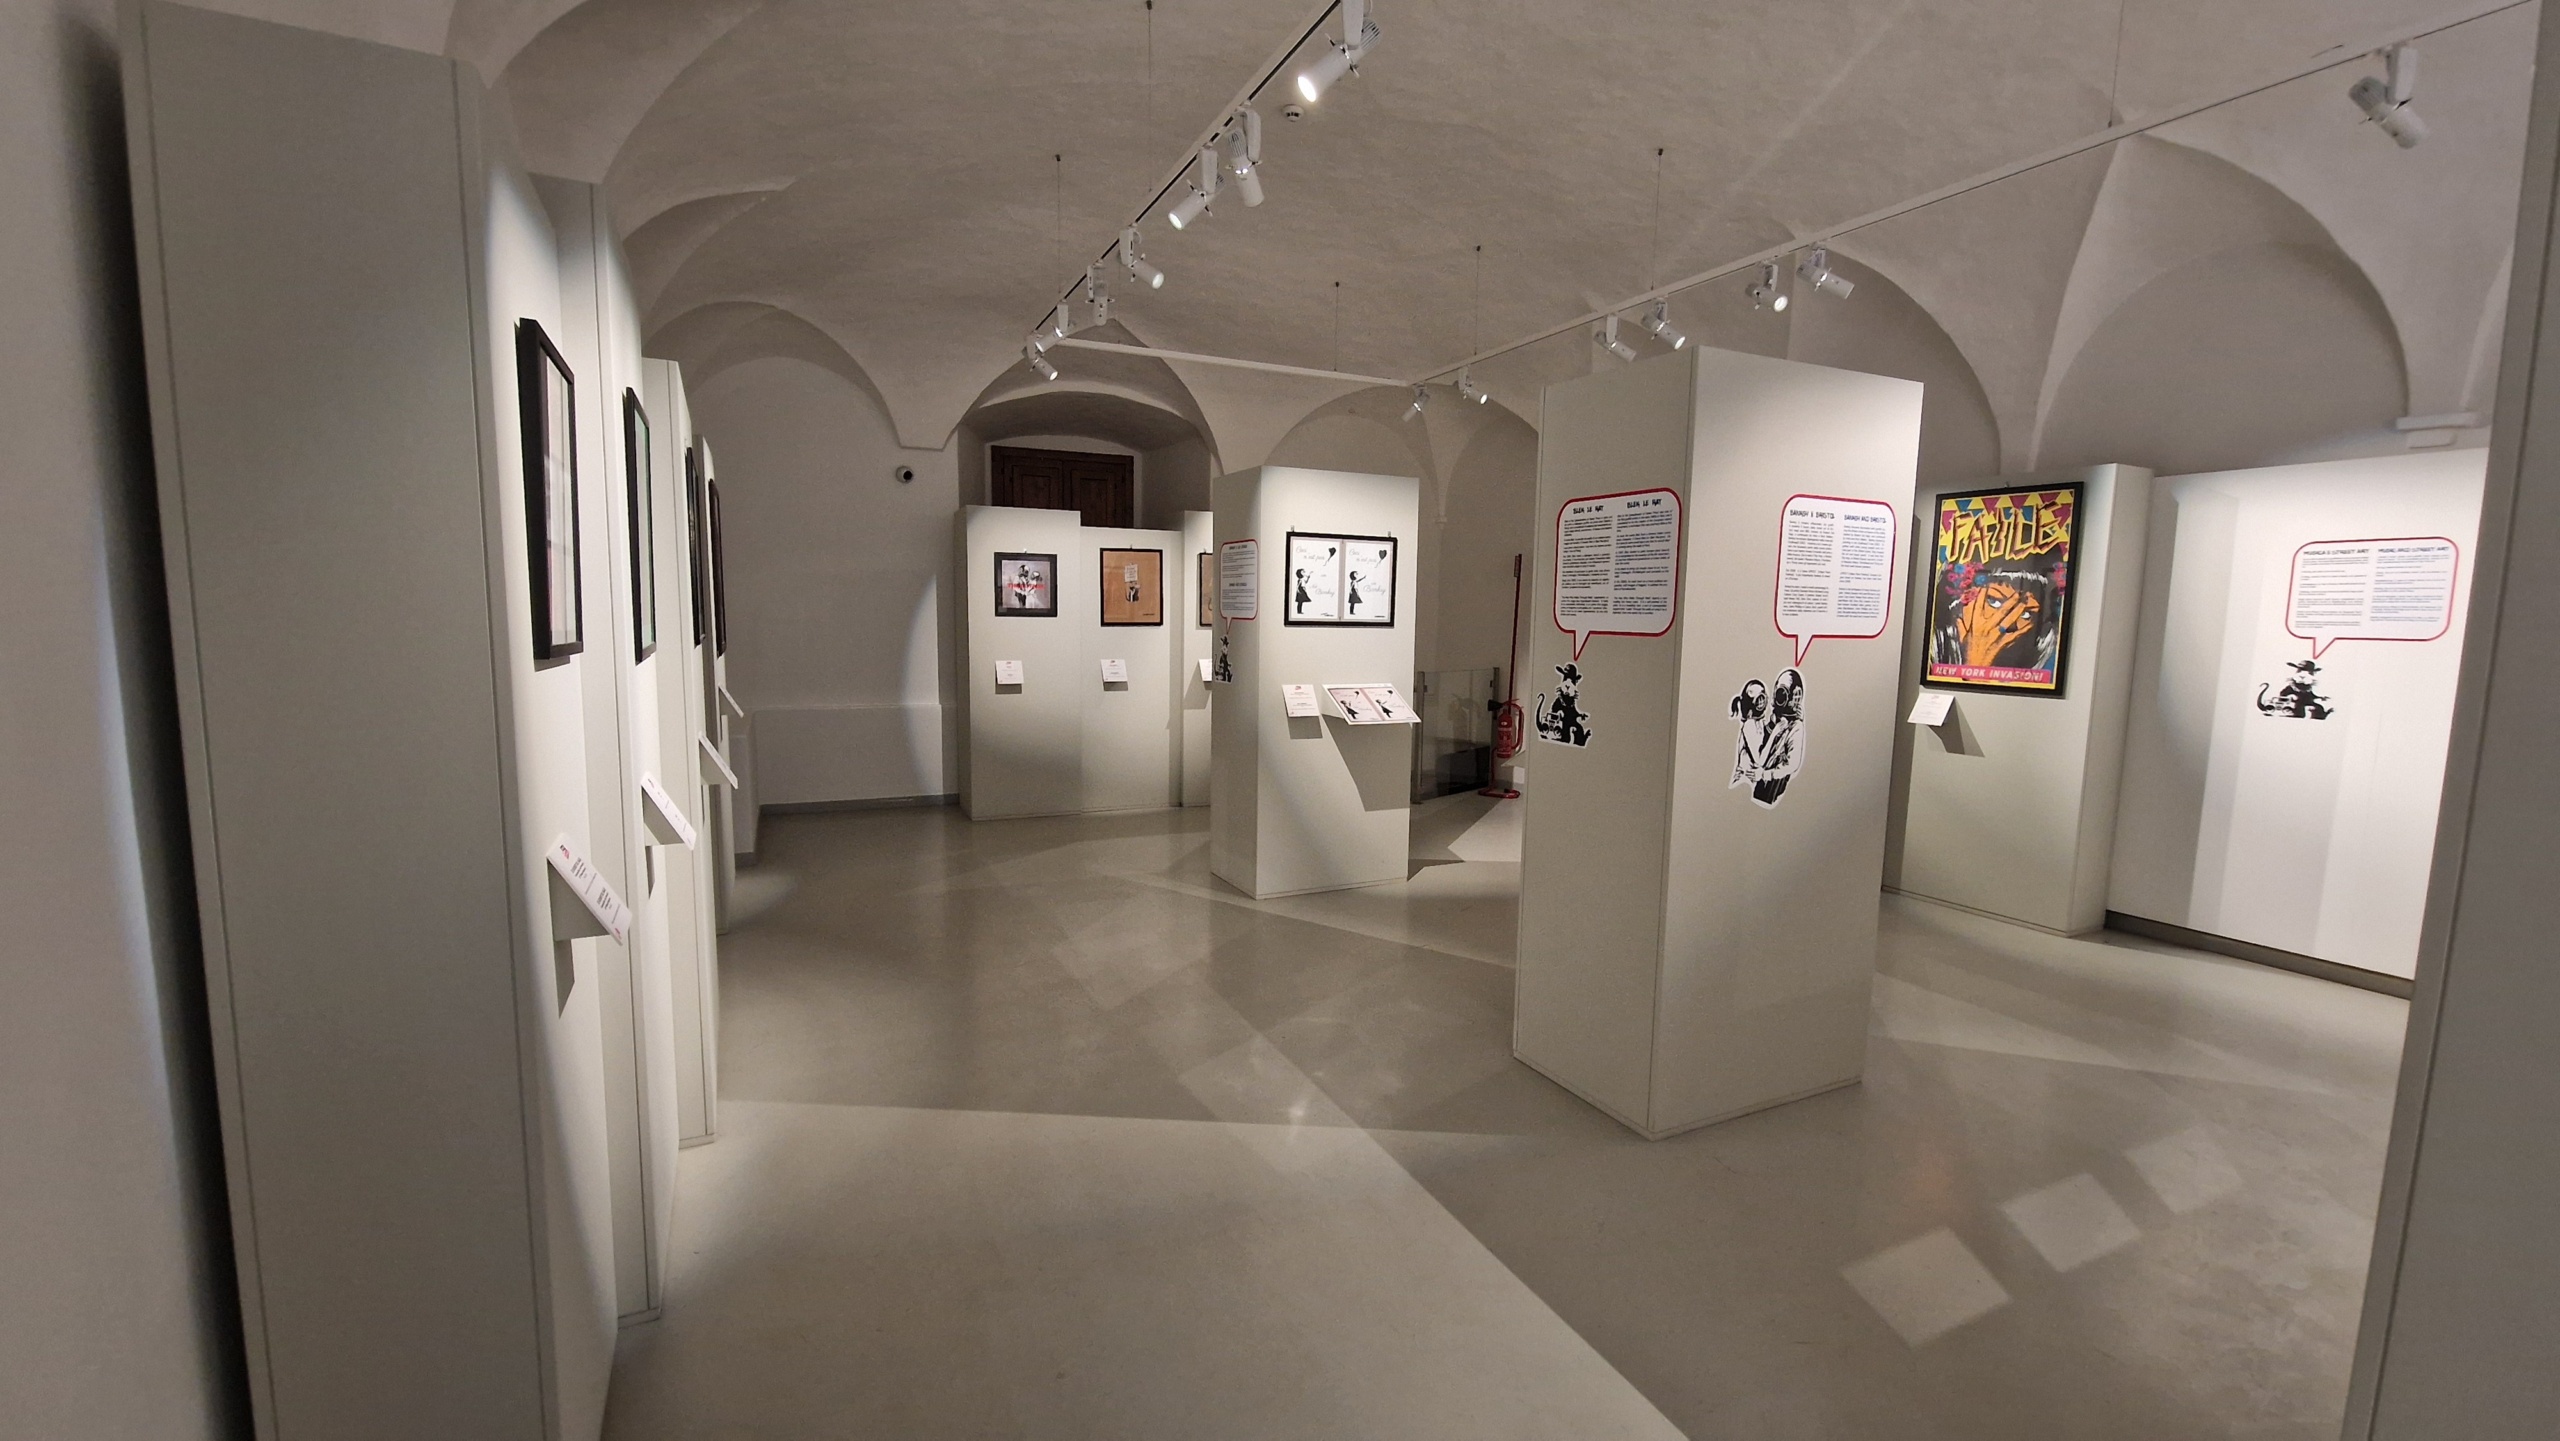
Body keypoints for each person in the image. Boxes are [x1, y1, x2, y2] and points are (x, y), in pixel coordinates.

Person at [1753, 669, 1806, 806]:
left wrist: (1767, 775)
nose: (1779, 698)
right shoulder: (1774, 721)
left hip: (1773, 788)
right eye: (1778, 691)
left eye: (1783, 693)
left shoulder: (1796, 727)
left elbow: (1792, 764)